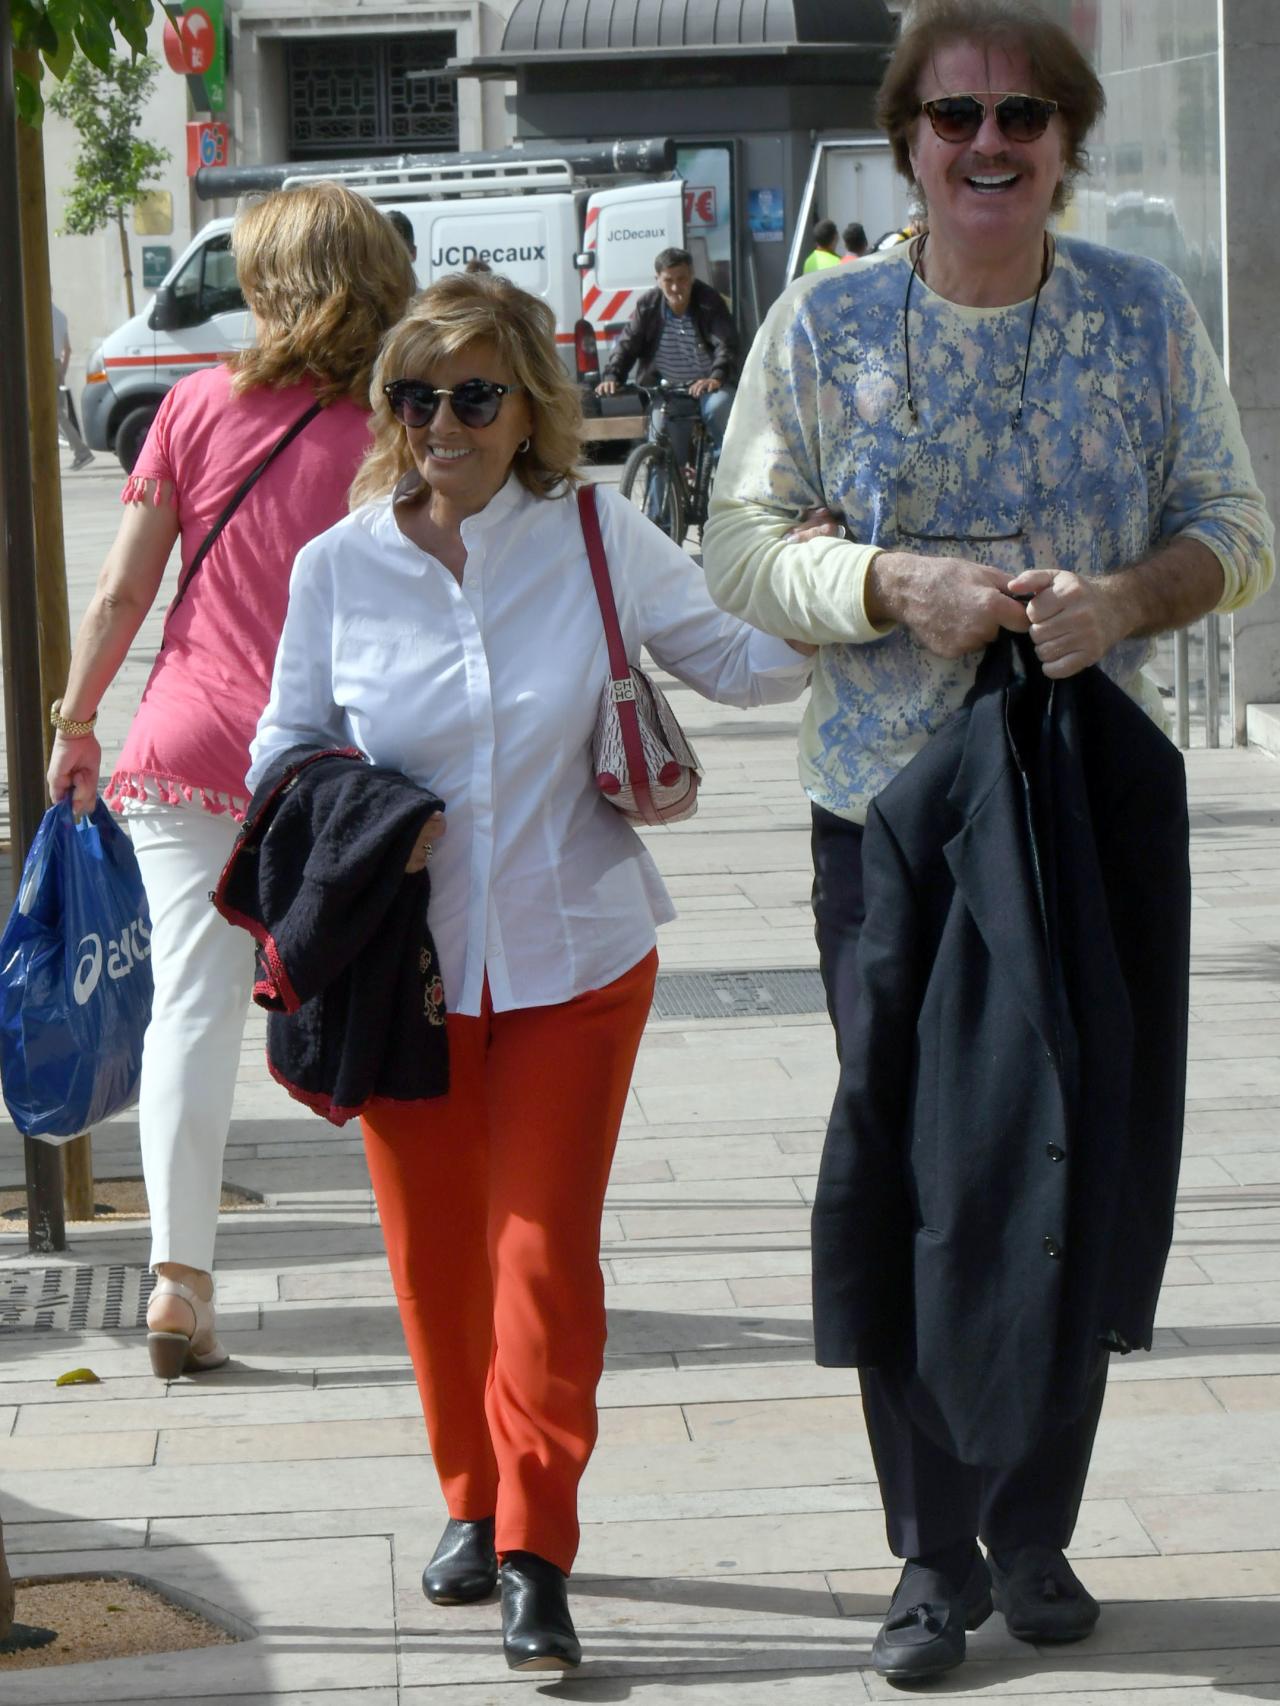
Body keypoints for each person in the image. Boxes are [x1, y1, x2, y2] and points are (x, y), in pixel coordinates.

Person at [703, 0, 1274, 1682]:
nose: (989, 145)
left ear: (1068, 143)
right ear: (908, 143)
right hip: (888, 814)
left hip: (1089, 804)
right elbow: (738, 548)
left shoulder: (1143, 317)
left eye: (1024, 116)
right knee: (921, 1175)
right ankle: (930, 1550)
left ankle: (1036, 1530)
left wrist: (1126, 598)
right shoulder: (820, 331)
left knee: (1071, 1158)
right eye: (955, 119)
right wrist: (891, 583)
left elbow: (1234, 530)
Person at [247, 269, 811, 1674]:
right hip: (404, 970)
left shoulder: (594, 534)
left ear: (529, 407)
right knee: (436, 1260)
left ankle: (533, 1545)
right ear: (388, 408)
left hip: (577, 958)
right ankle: (467, 1490)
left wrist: (844, 577)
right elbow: (279, 754)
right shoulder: (338, 566)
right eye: (415, 394)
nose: (443, 421)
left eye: (475, 394)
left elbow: (740, 659)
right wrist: (377, 816)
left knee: (541, 1253)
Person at [46, 182, 415, 1379]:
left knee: (189, 1016)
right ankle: (437, 1269)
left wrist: (75, 717)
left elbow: (121, 590)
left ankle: (176, 1280)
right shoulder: (408, 427)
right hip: (341, 771)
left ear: (274, 286)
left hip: (188, 750)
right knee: (383, 1007)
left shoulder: (196, 408)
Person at [595, 244, 738, 465]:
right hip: (671, 390)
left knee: (719, 410)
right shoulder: (648, 305)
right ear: (658, 280)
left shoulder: (709, 302)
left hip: (710, 386)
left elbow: (726, 343)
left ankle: (727, 478)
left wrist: (715, 377)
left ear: (691, 277)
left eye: (681, 279)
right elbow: (627, 343)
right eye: (668, 281)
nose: (675, 287)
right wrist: (612, 376)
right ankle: (659, 498)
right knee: (661, 449)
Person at [51, 300, 94, 469]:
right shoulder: (60, 315)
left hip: (37, 364)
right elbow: (67, 349)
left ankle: (81, 451)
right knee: (54, 413)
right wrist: (62, 371)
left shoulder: (31, 312)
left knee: (53, 413)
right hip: (54, 363)